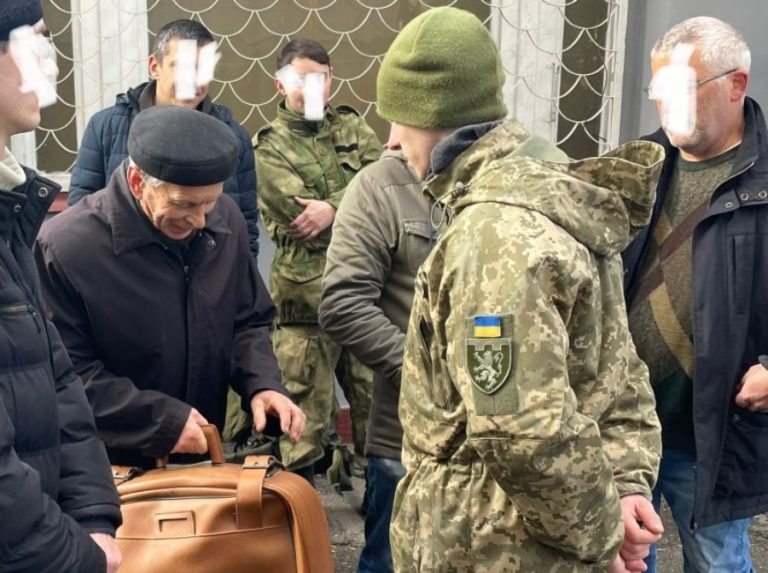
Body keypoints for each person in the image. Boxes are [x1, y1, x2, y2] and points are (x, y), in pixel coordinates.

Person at [376, 7, 665, 572]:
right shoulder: (561, 198)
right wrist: (626, 486)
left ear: (433, 116)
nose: (390, 141)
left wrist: (601, 534)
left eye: (398, 119)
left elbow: (519, 427)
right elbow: (617, 374)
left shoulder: (495, 236)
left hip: (489, 544)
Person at [35, 105, 305, 469]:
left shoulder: (225, 221)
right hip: (104, 470)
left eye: (210, 202)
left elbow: (247, 321)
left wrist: (263, 384)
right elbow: (66, 373)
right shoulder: (66, 246)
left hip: (200, 456)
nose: (198, 220)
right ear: (136, 183)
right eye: (184, 205)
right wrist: (160, 420)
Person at [624, 16, 768, 573]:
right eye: (661, 91)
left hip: (710, 434)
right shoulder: (638, 166)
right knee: (625, 563)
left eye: (684, 88)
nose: (668, 106)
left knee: (716, 563)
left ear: (737, 84)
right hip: (626, 426)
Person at [0, 1, 122, 571]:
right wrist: (74, 556)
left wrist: (95, 515)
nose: (53, 68)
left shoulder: (11, 210)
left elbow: (54, 378)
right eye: (38, 45)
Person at [254, 38, 381, 481]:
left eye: (321, 78)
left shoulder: (352, 126)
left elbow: (384, 183)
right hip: (305, 297)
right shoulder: (269, 147)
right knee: (304, 414)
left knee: (375, 401)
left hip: (364, 286)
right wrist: (347, 203)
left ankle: (378, 506)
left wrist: (330, 207)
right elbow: (295, 211)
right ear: (280, 83)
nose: (313, 87)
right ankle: (300, 518)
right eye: (301, 78)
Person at [318, 135, 429, 572]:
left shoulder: (512, 178)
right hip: (404, 433)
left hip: (497, 443)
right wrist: (431, 374)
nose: (393, 137)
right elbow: (343, 304)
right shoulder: (384, 185)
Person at [67, 19, 260, 259]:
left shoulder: (234, 139)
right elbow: (82, 211)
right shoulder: (106, 127)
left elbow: (246, 226)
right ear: (154, 66)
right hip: (125, 277)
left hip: (205, 283)